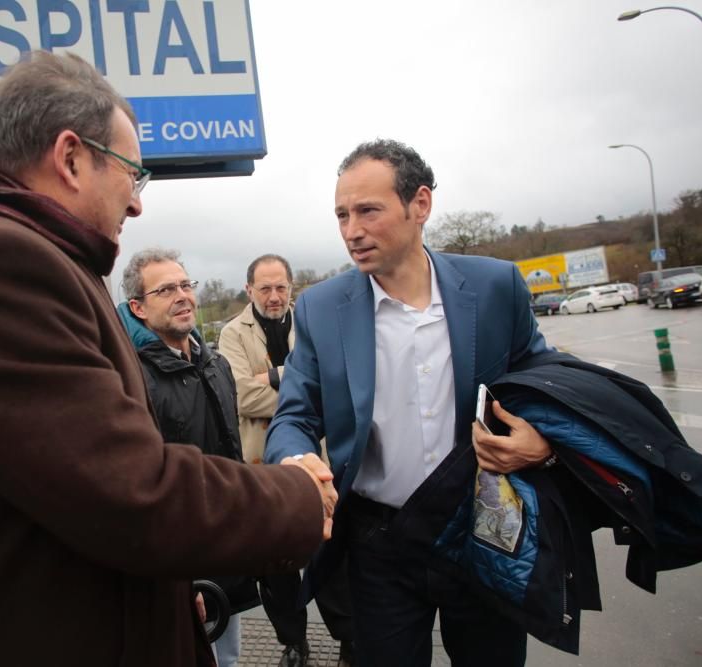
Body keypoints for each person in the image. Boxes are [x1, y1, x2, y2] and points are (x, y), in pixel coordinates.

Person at [0, 51, 336, 666]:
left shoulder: (17, 253)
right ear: (70, 157)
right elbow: (131, 494)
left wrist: (163, 599)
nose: (137, 204)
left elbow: (69, 496)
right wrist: (296, 495)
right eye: (132, 175)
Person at [264, 139, 555, 667]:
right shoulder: (321, 310)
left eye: (368, 211)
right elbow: (294, 415)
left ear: (419, 204)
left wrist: (541, 439)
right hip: (380, 543)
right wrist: (295, 460)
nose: (352, 230)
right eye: (341, 215)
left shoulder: (494, 287)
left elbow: (546, 384)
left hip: (484, 528)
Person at [117, 248, 260, 666]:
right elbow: (142, 489)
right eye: (165, 290)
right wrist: (177, 582)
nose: (182, 296)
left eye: (185, 285)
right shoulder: (132, 378)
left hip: (225, 548)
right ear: (138, 308)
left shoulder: (215, 365)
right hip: (177, 564)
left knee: (227, 657)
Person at [219, 255, 355, 667]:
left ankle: (349, 640)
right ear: (249, 290)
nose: (274, 297)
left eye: (281, 287)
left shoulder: (315, 322)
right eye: (265, 288)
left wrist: (272, 378)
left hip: (318, 464)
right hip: (263, 467)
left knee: (329, 559)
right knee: (275, 569)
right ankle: (293, 641)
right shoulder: (231, 333)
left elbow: (338, 385)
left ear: (292, 287)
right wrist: (301, 388)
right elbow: (240, 395)